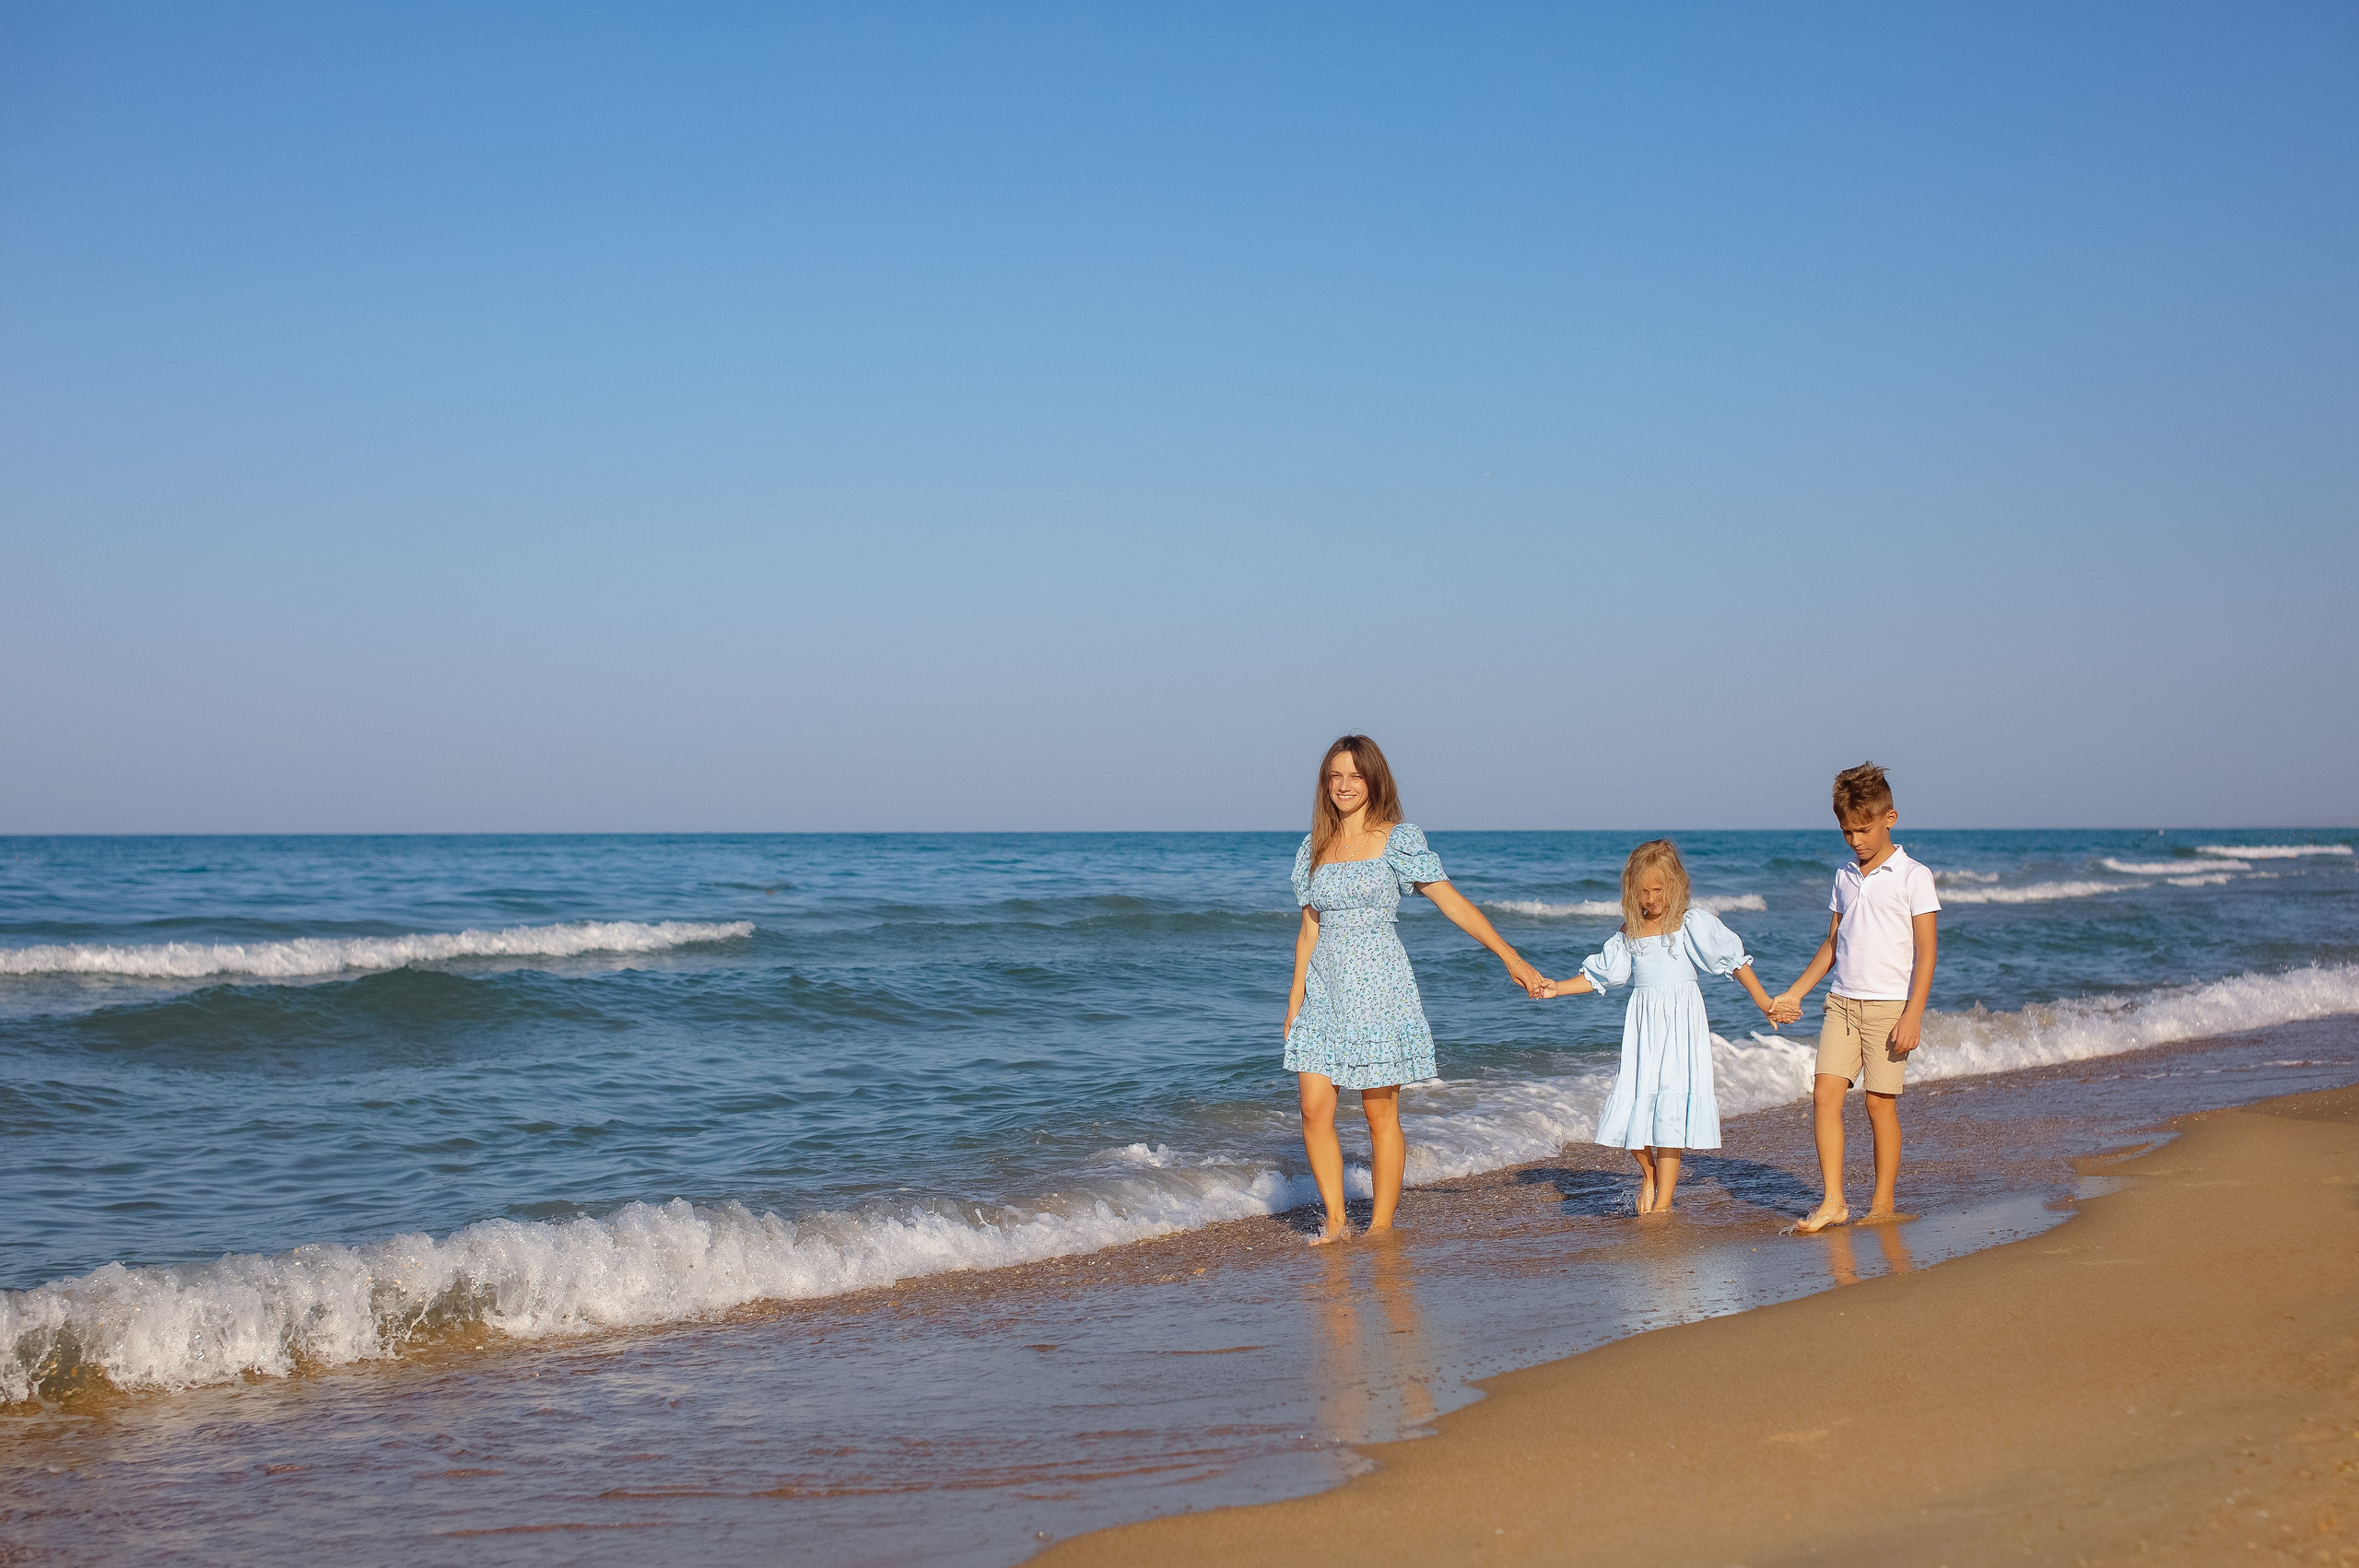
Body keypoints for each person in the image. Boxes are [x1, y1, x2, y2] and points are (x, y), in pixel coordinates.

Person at [1284, 734, 1545, 1245]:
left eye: (1355, 775)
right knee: (1314, 1110)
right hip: (1323, 994)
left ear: (1373, 780)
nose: (1343, 785)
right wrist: (1295, 1001)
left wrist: (1510, 957)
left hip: (1380, 990)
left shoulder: (1397, 840)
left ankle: (1381, 1227)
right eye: (1335, 776)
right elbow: (1309, 929)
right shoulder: (1313, 848)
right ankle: (1336, 1220)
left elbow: (1452, 902)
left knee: (1379, 1113)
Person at [1538, 839, 1789, 1214]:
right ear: (1631, 890)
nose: (1652, 899)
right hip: (1643, 1028)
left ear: (1675, 885)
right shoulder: (1630, 931)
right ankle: (1650, 1174)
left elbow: (1734, 962)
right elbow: (1602, 976)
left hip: (1681, 1026)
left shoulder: (1690, 923)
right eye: (1644, 891)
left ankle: (1663, 1206)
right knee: (1629, 1107)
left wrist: (1765, 1002)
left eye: (1659, 890)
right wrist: (1556, 988)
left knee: (1670, 1114)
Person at [1769, 762, 1942, 1234]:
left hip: (1889, 1009)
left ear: (1890, 818)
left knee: (1879, 1104)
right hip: (1842, 1003)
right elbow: (1833, 943)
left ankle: (1882, 1203)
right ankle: (1834, 1202)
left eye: (1863, 830)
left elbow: (1927, 952)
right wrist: (1796, 992)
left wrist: (1913, 1014)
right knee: (1824, 1094)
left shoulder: (1913, 876)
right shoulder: (1844, 876)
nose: (1855, 840)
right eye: (1847, 831)